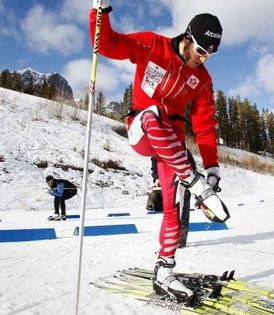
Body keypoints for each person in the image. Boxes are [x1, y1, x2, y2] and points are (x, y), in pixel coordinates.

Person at [90, 1, 229, 304]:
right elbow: (109, 45)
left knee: (173, 209)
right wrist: (99, 13)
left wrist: (213, 167)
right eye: (201, 51)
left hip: (172, 147)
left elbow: (205, 125)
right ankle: (194, 181)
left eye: (210, 55)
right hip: (143, 127)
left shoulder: (202, 79)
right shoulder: (152, 45)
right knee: (154, 114)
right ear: (187, 37)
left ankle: (164, 271)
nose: (203, 59)